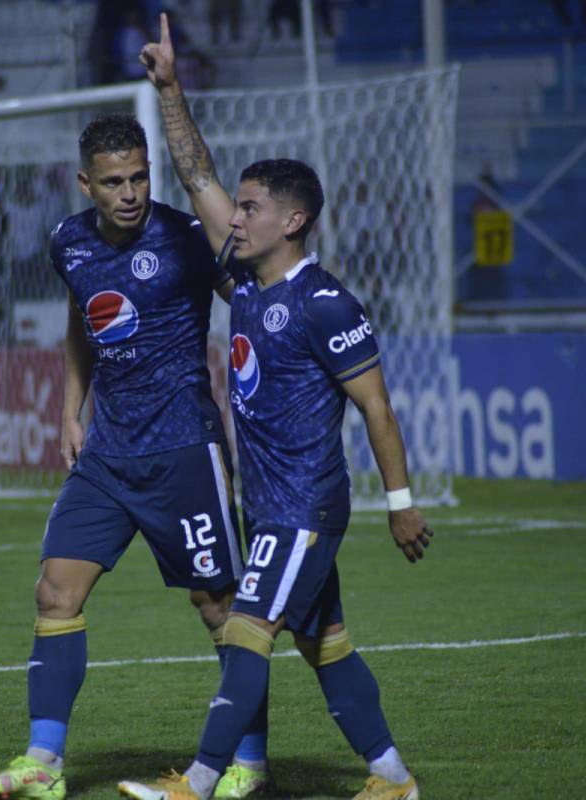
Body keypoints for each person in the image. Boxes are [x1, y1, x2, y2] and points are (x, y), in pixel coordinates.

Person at [118, 15, 430, 800]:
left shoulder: (326, 303)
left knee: (246, 630)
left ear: (291, 221)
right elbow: (196, 178)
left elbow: (378, 410)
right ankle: (392, 779)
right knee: (327, 645)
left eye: (251, 207)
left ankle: (197, 782)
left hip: (304, 507)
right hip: (270, 505)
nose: (236, 217)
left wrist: (400, 504)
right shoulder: (249, 286)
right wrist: (170, 91)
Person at [0, 114, 271, 800]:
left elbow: (246, 295)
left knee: (220, 606)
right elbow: (83, 320)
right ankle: (43, 765)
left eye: (138, 177)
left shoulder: (187, 237)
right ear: (85, 184)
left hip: (184, 450)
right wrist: (70, 408)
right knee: (54, 591)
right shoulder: (67, 242)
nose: (129, 192)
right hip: (107, 454)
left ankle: (248, 764)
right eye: (112, 182)